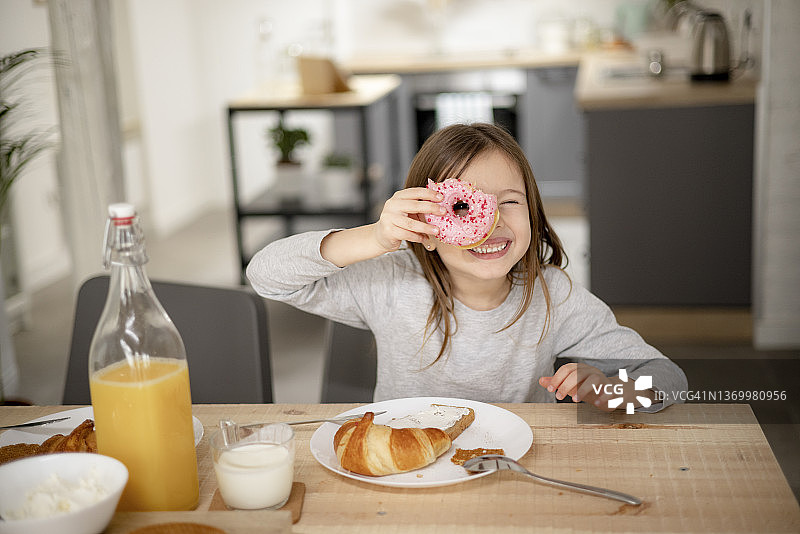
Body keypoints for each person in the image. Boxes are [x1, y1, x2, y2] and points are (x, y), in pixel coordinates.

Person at [247, 123, 687, 412]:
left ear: (533, 213)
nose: (490, 222)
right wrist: (375, 238)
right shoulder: (391, 281)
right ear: (427, 227)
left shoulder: (556, 297)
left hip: (515, 463)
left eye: (510, 202)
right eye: (463, 207)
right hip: (408, 463)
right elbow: (265, 275)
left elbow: (670, 378)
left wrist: (610, 390)